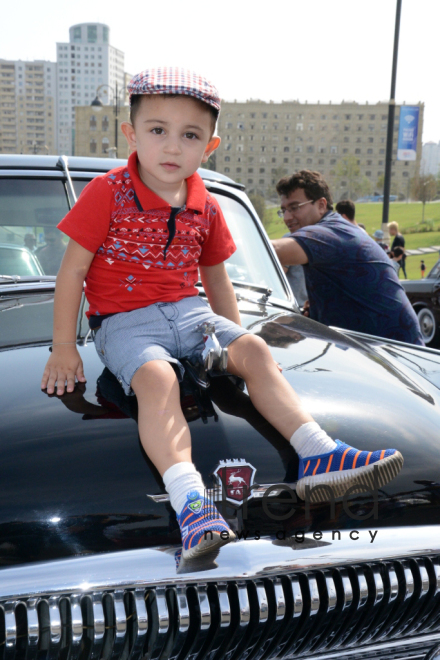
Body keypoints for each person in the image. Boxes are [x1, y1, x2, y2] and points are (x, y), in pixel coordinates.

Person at [40, 69, 402, 561]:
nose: (172, 147)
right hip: (126, 321)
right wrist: (64, 348)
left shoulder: (205, 203)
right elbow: (72, 272)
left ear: (208, 147)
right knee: (156, 379)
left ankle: (319, 452)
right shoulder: (108, 191)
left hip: (191, 314)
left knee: (254, 347)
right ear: (131, 134)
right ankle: (190, 501)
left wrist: (232, 344)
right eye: (157, 130)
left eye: (189, 135)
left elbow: (216, 278)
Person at [271, 169, 423, 346]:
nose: (287, 217)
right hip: (379, 348)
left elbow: (271, 250)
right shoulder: (337, 228)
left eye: (294, 207)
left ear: (321, 205)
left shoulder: (328, 233)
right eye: (283, 210)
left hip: (394, 354)